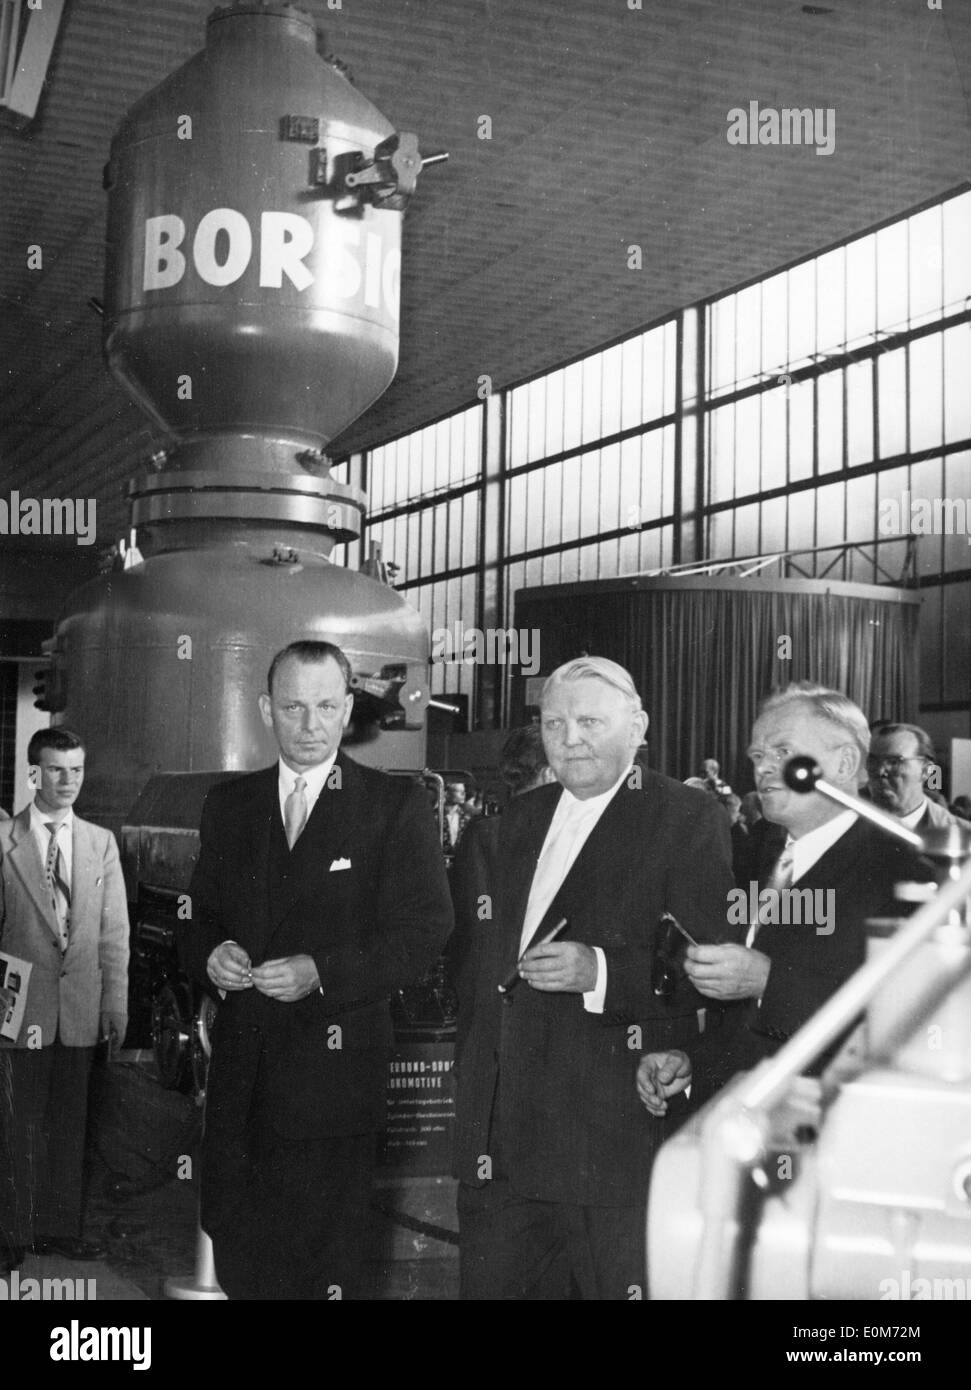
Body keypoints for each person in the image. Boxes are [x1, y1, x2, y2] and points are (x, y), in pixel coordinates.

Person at [451, 657, 736, 1300]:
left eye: (589, 721)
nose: (570, 737)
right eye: (554, 722)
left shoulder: (687, 818)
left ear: (638, 728)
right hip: (502, 1152)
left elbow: (704, 965)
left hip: (609, 1147)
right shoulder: (511, 825)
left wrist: (597, 970)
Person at [178, 639, 453, 1300]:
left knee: (324, 1272)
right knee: (242, 1257)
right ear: (266, 710)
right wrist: (210, 955)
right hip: (242, 1085)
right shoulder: (230, 805)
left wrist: (320, 972)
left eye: (326, 706)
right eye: (294, 707)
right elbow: (195, 915)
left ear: (348, 707)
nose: (310, 725)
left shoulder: (392, 808)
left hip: (332, 1091)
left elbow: (424, 932)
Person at [676, 683, 932, 1099]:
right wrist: (694, 1061)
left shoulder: (905, 872)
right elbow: (739, 1008)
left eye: (782, 752)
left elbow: (900, 1024)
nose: (763, 768)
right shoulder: (759, 846)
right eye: (758, 756)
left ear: (846, 762)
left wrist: (768, 981)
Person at [0, 729, 129, 1273]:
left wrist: (115, 1004)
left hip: (80, 1006)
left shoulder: (100, 843)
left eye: (76, 770)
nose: (68, 781)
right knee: (15, 1123)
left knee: (69, 1124)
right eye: (56, 770)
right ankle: (12, 1232)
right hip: (19, 1005)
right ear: (34, 774)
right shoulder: (7, 842)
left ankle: (57, 1229)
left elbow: (113, 933)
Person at [867, 722, 971, 833]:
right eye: (873, 761)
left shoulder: (964, 836)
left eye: (894, 762)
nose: (880, 771)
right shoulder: (849, 824)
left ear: (926, 771)